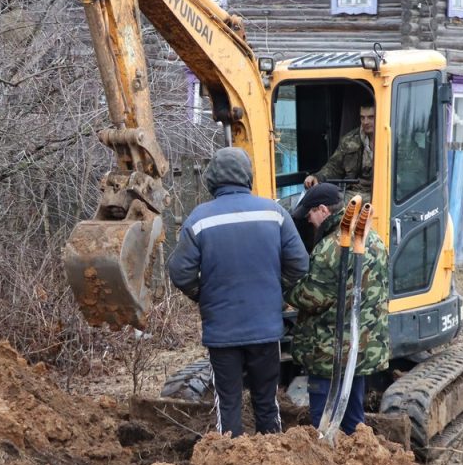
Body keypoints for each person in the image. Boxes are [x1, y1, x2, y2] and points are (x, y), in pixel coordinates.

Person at [167, 147, 309, 437]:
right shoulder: (275, 213)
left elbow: (180, 272)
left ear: (212, 179)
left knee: (228, 403)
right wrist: (276, 293)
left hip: (223, 332)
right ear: (248, 176)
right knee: (267, 402)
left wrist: (203, 294)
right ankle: (273, 461)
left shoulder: (199, 219)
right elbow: (300, 264)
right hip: (266, 328)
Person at [285, 183, 390, 435]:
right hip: (362, 348)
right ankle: (357, 460)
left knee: (323, 424)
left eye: (310, 215)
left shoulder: (330, 248)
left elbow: (313, 298)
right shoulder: (372, 238)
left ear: (322, 209)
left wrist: (286, 288)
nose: (310, 222)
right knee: (355, 421)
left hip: (329, 353)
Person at [303, 103, 376, 198]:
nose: (365, 122)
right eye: (362, 117)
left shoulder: (391, 141)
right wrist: (317, 177)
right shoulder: (349, 140)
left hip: (379, 194)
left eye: (371, 117)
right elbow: (334, 167)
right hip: (352, 193)